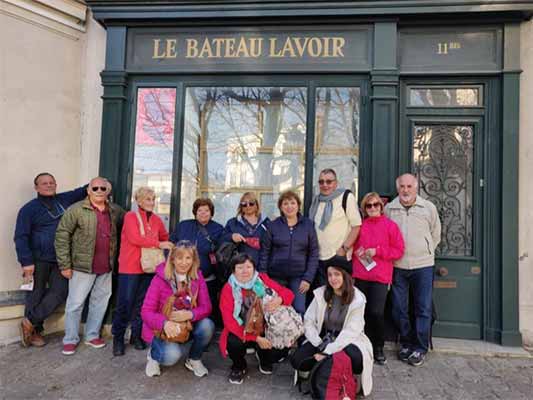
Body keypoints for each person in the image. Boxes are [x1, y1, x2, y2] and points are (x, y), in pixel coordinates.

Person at [14, 172, 87, 347]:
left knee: (60, 292)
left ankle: (29, 321)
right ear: (36, 187)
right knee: (35, 295)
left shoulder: (62, 200)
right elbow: (21, 236)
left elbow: (80, 192)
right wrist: (26, 262)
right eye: (44, 183)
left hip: (59, 259)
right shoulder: (28, 209)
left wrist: (97, 184)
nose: (49, 185)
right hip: (37, 259)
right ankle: (35, 332)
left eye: (51, 182)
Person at [55, 177, 124, 356]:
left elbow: (129, 224)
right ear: (88, 190)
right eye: (95, 188)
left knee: (100, 303)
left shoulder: (114, 211)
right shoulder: (76, 209)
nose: (99, 191)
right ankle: (70, 339)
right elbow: (62, 236)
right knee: (75, 304)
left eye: (103, 188)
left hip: (106, 267)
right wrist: (65, 265)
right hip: (81, 266)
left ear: (108, 191)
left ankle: (92, 335)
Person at [290, 256, 373, 397]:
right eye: (329, 275)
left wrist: (326, 352)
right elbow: (308, 321)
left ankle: (340, 376)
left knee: (357, 358)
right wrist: (318, 343)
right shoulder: (321, 293)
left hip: (348, 341)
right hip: (323, 338)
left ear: (345, 276)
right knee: (297, 360)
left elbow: (350, 332)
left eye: (337, 274)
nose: (333, 278)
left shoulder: (358, 299)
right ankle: (324, 370)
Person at [385, 173, 441, 367]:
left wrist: (425, 251)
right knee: (399, 308)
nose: (405, 190)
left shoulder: (428, 208)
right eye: (402, 186)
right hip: (398, 266)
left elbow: (436, 234)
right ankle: (407, 343)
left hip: (423, 265)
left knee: (422, 308)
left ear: (416, 187)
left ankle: (420, 347)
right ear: (398, 187)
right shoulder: (389, 209)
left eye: (409, 186)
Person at [111, 186, 174, 356]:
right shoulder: (131, 216)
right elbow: (135, 238)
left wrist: (165, 243)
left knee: (142, 303)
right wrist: (159, 244)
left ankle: (136, 336)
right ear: (138, 201)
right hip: (130, 266)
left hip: (149, 267)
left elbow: (165, 236)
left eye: (153, 199)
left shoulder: (156, 219)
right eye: (148, 199)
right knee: (125, 303)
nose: (151, 203)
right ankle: (118, 338)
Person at [141, 242, 214, 378]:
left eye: (188, 258)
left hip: (186, 324)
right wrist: (164, 323)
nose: (184, 263)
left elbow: (206, 307)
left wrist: (190, 314)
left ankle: (194, 359)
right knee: (172, 356)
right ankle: (154, 356)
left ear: (194, 260)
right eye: (179, 258)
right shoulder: (160, 278)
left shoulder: (197, 277)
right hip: (162, 328)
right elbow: (146, 311)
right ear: (172, 259)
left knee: (207, 325)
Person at [219, 253, 294, 385]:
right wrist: (256, 339)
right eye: (240, 267)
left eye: (248, 267)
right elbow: (229, 322)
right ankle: (239, 366)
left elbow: (288, 293)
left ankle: (264, 356)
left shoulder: (262, 280)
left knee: (277, 353)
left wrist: (279, 299)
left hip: (263, 327)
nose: (245, 271)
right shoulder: (228, 289)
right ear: (233, 270)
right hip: (241, 330)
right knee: (233, 342)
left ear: (254, 268)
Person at [352, 192, 404, 365]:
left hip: (380, 276)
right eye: (369, 205)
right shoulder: (361, 226)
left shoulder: (390, 226)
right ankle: (362, 346)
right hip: (361, 274)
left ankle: (378, 346)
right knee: (361, 312)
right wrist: (358, 252)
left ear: (381, 207)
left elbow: (398, 250)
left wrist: (378, 251)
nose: (373, 208)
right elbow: (353, 247)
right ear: (364, 209)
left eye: (376, 205)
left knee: (376, 312)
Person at [258, 190, 319, 315]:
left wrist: (308, 278)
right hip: (275, 276)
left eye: (293, 203)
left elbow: (314, 253)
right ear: (280, 207)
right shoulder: (273, 226)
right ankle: (275, 334)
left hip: (299, 277)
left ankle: (298, 334)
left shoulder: (308, 225)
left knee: (299, 309)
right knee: (274, 308)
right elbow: (265, 252)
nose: (289, 206)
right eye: (285, 203)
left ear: (298, 205)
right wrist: (263, 276)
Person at [169, 198, 225, 325]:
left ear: (211, 212)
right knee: (183, 305)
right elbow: (171, 245)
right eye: (200, 210)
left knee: (206, 308)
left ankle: (205, 334)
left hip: (207, 279)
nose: (203, 213)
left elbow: (222, 252)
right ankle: (185, 331)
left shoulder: (219, 229)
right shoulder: (184, 225)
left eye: (206, 210)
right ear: (195, 212)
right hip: (182, 278)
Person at [309, 168, 361, 287]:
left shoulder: (346, 197)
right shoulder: (316, 200)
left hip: (338, 256)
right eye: (321, 182)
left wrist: (344, 248)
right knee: (323, 298)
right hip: (319, 258)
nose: (325, 185)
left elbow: (356, 225)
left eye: (329, 181)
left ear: (336, 183)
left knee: (340, 296)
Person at [224, 192, 270, 266]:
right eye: (244, 204)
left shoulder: (266, 223)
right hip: (238, 267)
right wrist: (231, 236)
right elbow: (221, 240)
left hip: (261, 267)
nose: (248, 206)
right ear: (241, 207)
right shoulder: (232, 223)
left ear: (257, 205)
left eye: (251, 203)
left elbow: (270, 246)